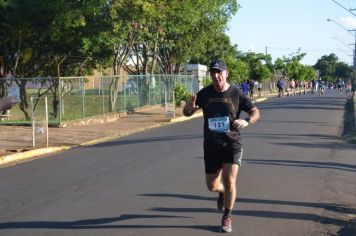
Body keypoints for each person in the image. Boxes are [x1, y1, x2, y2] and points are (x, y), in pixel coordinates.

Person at [183, 60, 260, 233]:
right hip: (211, 145)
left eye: (219, 72)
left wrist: (247, 121)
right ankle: (222, 192)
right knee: (212, 186)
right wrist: (188, 109)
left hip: (232, 143)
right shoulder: (205, 93)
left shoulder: (237, 93)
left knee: (230, 180)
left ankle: (227, 216)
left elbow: (255, 112)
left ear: (226, 73)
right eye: (213, 72)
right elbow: (188, 111)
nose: (216, 75)